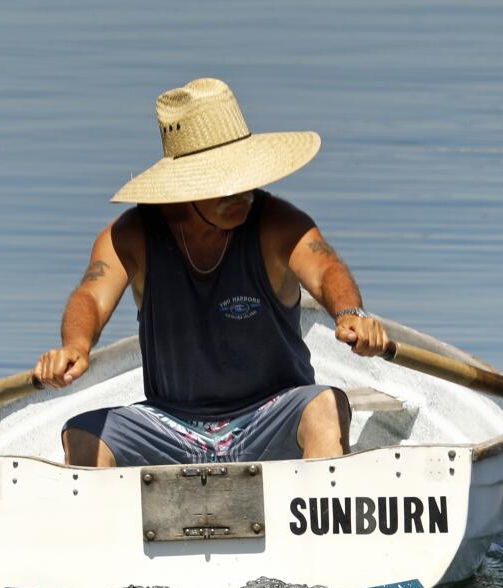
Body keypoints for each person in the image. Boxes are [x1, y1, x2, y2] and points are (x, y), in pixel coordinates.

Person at [32, 78, 390, 467]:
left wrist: (351, 314)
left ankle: (320, 515)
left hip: (270, 415)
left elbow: (325, 269)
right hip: (170, 421)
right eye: (222, 183)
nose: (241, 194)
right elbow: (90, 296)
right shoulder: (131, 235)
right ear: (183, 188)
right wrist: (76, 346)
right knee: (83, 432)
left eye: (245, 178)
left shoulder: (278, 224)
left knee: (326, 404)